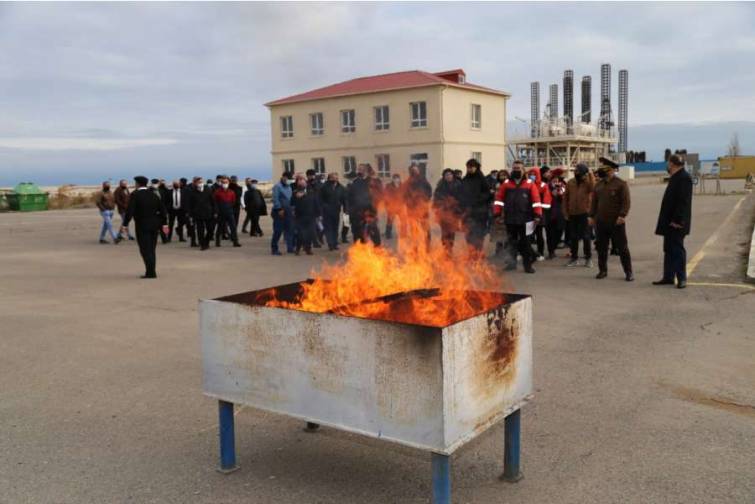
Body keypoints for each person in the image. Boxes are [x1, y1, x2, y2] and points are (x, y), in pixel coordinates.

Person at [493, 160, 542, 273]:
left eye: (518, 168)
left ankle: (528, 265)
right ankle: (512, 264)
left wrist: (537, 215)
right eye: (514, 168)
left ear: (523, 170)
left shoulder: (530, 184)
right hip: (510, 219)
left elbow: (536, 201)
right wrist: (497, 214)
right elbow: (499, 200)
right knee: (511, 243)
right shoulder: (506, 184)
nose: (516, 170)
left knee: (526, 243)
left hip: (528, 219)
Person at [653, 154, 693, 289]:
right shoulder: (675, 177)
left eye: (668, 163)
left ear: (672, 164)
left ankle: (682, 278)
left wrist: (678, 220)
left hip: (677, 223)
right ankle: (668, 277)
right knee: (668, 249)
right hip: (669, 222)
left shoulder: (684, 178)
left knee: (677, 249)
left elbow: (683, 202)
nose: (667, 165)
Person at [590, 157, 633, 281]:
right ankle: (602, 270)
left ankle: (628, 272)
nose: (603, 171)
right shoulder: (598, 185)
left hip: (616, 222)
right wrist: (591, 216)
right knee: (601, 248)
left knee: (622, 248)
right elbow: (594, 202)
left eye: (605, 169)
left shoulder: (621, 184)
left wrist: (622, 215)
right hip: (601, 222)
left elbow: (626, 202)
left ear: (612, 170)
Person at [121, 176, 169, 278]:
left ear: (138, 184)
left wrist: (125, 224)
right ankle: (150, 271)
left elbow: (130, 211)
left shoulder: (135, 195)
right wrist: (164, 223)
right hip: (154, 225)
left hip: (142, 225)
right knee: (152, 249)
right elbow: (163, 210)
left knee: (144, 249)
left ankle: (151, 272)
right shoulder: (153, 195)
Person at [563, 163, 595, 267]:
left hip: (585, 213)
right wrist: (565, 212)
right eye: (575, 171)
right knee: (573, 237)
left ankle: (588, 258)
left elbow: (593, 188)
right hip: (572, 214)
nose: (576, 173)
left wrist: (590, 174)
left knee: (586, 237)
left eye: (578, 171)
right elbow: (565, 198)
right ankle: (574, 258)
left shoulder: (587, 183)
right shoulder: (570, 183)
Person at [458, 158, 490, 253]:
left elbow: (487, 193)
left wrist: (477, 200)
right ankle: (471, 253)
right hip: (467, 213)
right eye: (468, 167)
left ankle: (478, 255)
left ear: (476, 167)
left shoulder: (481, 179)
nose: (470, 169)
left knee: (479, 235)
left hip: (480, 212)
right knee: (468, 235)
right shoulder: (465, 179)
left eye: (472, 167)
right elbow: (460, 193)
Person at [347, 163, 381, 245]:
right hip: (358, 212)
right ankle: (360, 248)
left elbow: (379, 194)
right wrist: (351, 210)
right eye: (358, 169)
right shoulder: (355, 183)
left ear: (366, 170)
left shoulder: (373, 182)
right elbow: (350, 198)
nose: (359, 171)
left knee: (373, 230)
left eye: (361, 169)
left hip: (370, 211)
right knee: (358, 232)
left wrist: (375, 206)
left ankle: (377, 248)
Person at [433, 168, 462, 253]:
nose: (448, 176)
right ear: (444, 176)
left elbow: (461, 198)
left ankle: (450, 249)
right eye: (446, 175)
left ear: (453, 175)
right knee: (445, 233)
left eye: (450, 174)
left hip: (454, 213)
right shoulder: (440, 186)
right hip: (444, 213)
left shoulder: (458, 184)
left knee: (452, 233)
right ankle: (445, 249)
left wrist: (457, 207)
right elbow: (436, 199)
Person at [528, 166, 553, 261]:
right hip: (528, 214)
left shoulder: (543, 185)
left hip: (539, 213)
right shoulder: (527, 184)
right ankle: (528, 252)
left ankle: (540, 253)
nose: (532, 176)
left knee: (539, 235)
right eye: (530, 174)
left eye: (534, 174)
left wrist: (539, 211)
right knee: (528, 235)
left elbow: (547, 201)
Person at [292, 174, 320, 255]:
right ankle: (297, 249)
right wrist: (301, 194)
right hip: (300, 216)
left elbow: (316, 202)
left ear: (306, 182)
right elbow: (294, 200)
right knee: (301, 234)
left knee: (310, 233)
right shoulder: (295, 192)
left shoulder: (311, 191)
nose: (300, 183)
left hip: (311, 216)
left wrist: (319, 214)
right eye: (299, 182)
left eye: (302, 181)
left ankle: (308, 249)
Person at [187, 177, 216, 250]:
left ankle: (206, 242)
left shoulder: (208, 190)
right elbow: (190, 204)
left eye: (201, 182)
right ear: (195, 183)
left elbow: (213, 201)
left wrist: (215, 211)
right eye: (198, 182)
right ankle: (203, 245)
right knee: (200, 231)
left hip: (208, 213)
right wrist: (190, 214)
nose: (200, 183)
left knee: (210, 229)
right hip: (198, 214)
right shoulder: (192, 192)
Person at [319, 172, 346, 250]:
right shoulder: (324, 187)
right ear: (330, 178)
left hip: (336, 211)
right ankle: (330, 243)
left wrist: (345, 209)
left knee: (335, 227)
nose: (336, 179)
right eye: (334, 178)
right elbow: (320, 199)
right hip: (326, 211)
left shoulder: (341, 188)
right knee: (328, 228)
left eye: (337, 178)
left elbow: (344, 199)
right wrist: (323, 208)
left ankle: (335, 243)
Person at [213, 176, 241, 247]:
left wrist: (229, 208)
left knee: (233, 227)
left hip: (229, 212)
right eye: (223, 182)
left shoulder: (231, 192)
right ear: (221, 183)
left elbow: (233, 201)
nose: (225, 184)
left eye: (226, 182)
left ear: (228, 183)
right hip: (221, 212)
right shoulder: (217, 192)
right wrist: (216, 212)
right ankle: (217, 242)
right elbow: (215, 203)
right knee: (220, 228)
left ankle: (235, 242)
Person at [271, 172, 295, 255]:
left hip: (288, 211)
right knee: (278, 231)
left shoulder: (289, 187)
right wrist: (279, 209)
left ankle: (290, 248)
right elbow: (275, 199)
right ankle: (274, 249)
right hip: (279, 212)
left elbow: (290, 199)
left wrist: (292, 209)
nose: (290, 181)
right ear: (284, 177)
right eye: (289, 179)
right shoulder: (277, 187)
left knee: (290, 230)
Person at [546, 168, 567, 258]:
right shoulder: (547, 186)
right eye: (553, 177)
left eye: (557, 177)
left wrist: (560, 192)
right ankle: (551, 251)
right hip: (549, 212)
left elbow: (564, 197)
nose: (555, 179)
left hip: (560, 212)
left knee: (559, 231)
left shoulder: (563, 185)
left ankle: (554, 247)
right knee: (549, 233)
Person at [306, 169, 324, 247]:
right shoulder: (306, 184)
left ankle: (319, 238)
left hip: (319, 207)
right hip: (310, 208)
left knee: (321, 226)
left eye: (312, 175)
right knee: (313, 226)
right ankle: (315, 242)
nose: (311, 177)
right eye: (309, 175)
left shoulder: (319, 184)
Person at [383, 174, 401, 239]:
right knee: (390, 221)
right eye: (395, 178)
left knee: (403, 220)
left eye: (398, 178)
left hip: (400, 206)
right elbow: (385, 195)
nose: (397, 180)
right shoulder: (389, 186)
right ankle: (388, 235)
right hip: (392, 206)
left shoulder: (402, 185)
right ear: (393, 179)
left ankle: (403, 234)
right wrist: (387, 206)